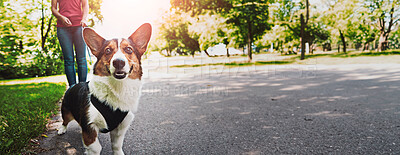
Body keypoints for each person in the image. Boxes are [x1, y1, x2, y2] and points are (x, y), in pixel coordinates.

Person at [51, 0, 89, 87]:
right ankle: (72, 88)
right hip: (62, 28)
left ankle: (82, 87)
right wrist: (61, 18)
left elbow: (85, 5)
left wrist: (84, 19)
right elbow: (53, 9)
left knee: (82, 59)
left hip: (79, 26)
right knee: (68, 59)